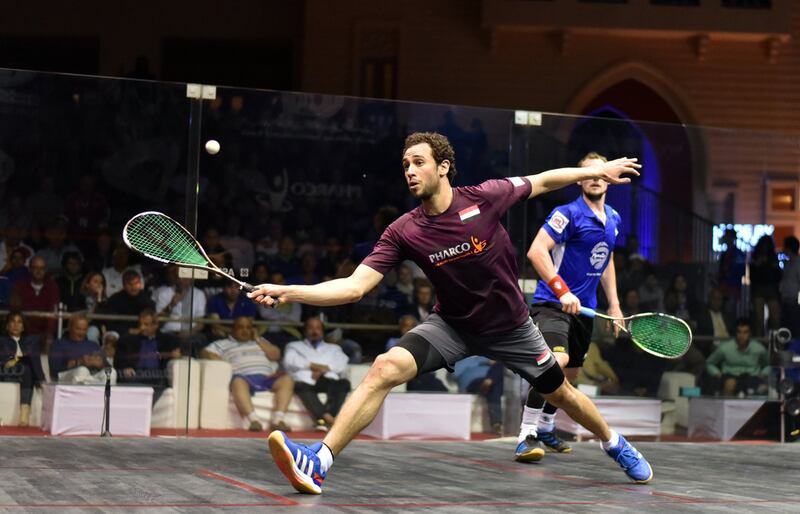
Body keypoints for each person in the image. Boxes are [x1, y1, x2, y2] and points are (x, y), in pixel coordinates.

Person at [249, 132, 652, 494]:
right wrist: (289, 291)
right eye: (405, 164)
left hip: (511, 327)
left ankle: (614, 443)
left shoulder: (486, 196)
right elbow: (355, 286)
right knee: (384, 367)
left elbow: (544, 180)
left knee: (559, 391)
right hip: (452, 326)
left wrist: (599, 168)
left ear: (443, 167)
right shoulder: (403, 230)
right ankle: (319, 461)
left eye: (419, 162)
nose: (410, 171)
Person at [513, 151, 624, 460]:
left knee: (570, 376)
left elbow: (608, 258)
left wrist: (614, 304)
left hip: (585, 310)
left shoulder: (614, 219)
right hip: (552, 305)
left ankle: (547, 426)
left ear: (609, 178)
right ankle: (527, 434)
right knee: (554, 365)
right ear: (578, 179)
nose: (594, 177)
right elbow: (537, 252)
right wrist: (562, 291)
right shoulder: (567, 214)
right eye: (587, 172)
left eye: (600, 172)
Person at [200, 316, 294, 432]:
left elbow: (276, 355)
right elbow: (205, 353)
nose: (245, 330)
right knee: (237, 382)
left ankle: (278, 420)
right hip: (243, 378)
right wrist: (222, 362)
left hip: (267, 377)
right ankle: (254, 420)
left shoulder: (260, 342)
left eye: (248, 327)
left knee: (287, 379)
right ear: (233, 329)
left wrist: (258, 339)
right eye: (241, 327)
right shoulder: (222, 344)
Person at [283, 317, 351, 432]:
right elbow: (290, 361)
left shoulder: (334, 348)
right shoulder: (294, 346)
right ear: (305, 331)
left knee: (344, 384)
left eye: (318, 328)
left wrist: (324, 369)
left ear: (322, 331)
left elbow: (342, 364)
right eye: (311, 328)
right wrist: (313, 366)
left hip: (328, 379)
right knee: (299, 385)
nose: (315, 331)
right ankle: (328, 419)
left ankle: (323, 419)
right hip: (306, 380)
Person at [115, 310, 181, 403]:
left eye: (146, 324)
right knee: (125, 380)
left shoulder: (168, 340)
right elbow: (120, 358)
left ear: (155, 325)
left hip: (157, 375)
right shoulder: (129, 339)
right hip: (135, 374)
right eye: (140, 324)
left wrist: (176, 354)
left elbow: (178, 352)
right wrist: (125, 367)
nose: (142, 328)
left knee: (160, 384)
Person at [0, 311, 45, 426]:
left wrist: (21, 358)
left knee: (28, 369)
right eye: (12, 322)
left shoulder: (30, 340)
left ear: (23, 326)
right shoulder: (2, 340)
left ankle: (24, 417)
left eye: (19, 322)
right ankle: (41, 380)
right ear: (7, 325)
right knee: (27, 363)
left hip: (22, 372)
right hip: (4, 369)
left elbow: (34, 359)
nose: (16, 325)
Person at [704, 318, 770, 397]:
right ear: (735, 333)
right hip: (729, 376)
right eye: (739, 332)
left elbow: (770, 364)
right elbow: (709, 363)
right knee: (730, 384)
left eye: (745, 332)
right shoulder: (725, 348)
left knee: (764, 388)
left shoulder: (759, 349)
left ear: (750, 334)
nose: (742, 336)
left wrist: (763, 374)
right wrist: (717, 373)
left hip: (752, 378)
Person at [451, 356, 505, 434]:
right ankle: (497, 423)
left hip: (495, 383)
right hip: (474, 384)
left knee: (501, 365)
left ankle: (489, 380)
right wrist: (482, 361)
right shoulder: (464, 358)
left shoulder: (494, 359)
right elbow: (455, 374)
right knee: (494, 386)